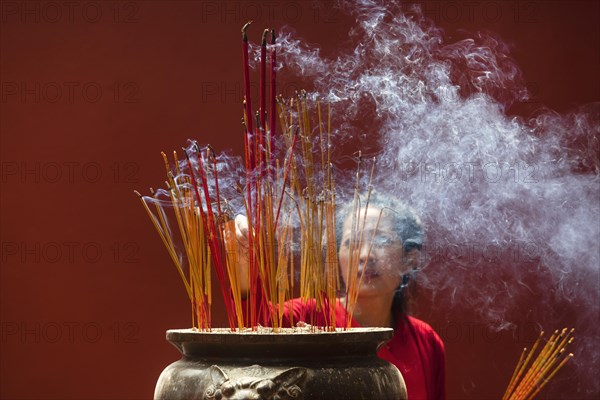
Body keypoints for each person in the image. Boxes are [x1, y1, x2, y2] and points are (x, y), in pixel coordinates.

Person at [233, 192, 446, 400]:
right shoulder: (309, 318)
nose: (365, 255)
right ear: (337, 257)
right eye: (352, 242)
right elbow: (255, 325)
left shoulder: (426, 341)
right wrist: (244, 266)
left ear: (410, 259)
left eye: (381, 241)